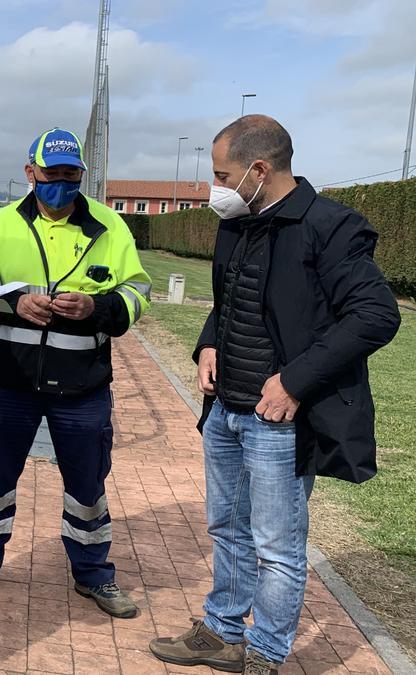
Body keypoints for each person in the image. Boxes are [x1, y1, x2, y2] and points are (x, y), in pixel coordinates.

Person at [149, 115, 400, 675]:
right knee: (226, 528)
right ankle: (221, 631)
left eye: (222, 174)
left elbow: (375, 317)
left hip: (278, 422)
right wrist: (209, 342)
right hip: (226, 411)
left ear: (259, 170)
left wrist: (294, 380)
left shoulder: (331, 228)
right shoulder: (239, 222)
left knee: (276, 545)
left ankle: (265, 653)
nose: (214, 187)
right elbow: (232, 298)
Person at [0, 128, 150, 621]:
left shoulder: (110, 226)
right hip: (13, 381)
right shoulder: (3, 223)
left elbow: (137, 292)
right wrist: (16, 304)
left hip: (82, 385)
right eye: (51, 175)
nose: (61, 185)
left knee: (87, 484)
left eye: (71, 176)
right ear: (30, 172)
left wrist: (97, 307)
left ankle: (94, 574)